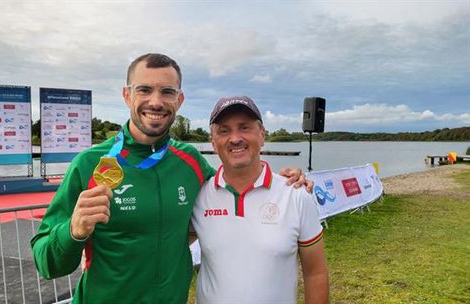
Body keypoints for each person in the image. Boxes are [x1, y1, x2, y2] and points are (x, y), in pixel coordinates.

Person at [31, 53, 311, 304]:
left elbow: (236, 185)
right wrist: (73, 231)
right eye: (144, 89)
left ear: (179, 100)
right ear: (127, 96)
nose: (156, 101)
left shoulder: (189, 160)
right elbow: (47, 264)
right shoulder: (89, 164)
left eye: (167, 91)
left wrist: (283, 181)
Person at [191, 96, 329, 304]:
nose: (235, 138)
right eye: (224, 130)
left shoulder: (296, 193)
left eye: (244, 128)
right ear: (213, 141)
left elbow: (316, 273)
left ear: (262, 134)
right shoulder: (198, 195)